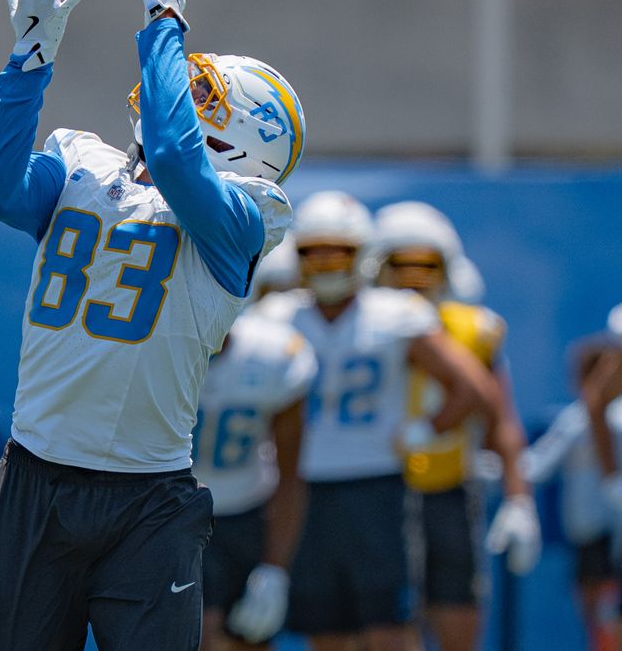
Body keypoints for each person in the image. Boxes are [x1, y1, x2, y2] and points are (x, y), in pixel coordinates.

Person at [0, 0, 304, 651]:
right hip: (33, 473)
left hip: (147, 497)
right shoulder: (85, 162)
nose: (178, 95)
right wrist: (26, 64)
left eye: (206, 97)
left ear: (248, 141)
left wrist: (164, 21)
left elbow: (180, 161)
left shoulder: (249, 214)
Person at [254, 191, 498, 651]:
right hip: (300, 487)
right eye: (315, 253)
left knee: (389, 627)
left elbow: (473, 388)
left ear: (362, 254)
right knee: (326, 630)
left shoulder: (396, 314)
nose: (326, 264)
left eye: (338, 252)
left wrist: (425, 430)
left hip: (378, 486)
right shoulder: (277, 317)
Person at [370, 200, 540, 651]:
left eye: (425, 265)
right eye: (401, 264)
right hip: (379, 492)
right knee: (387, 628)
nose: (413, 277)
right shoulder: (362, 327)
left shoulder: (472, 329)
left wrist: (520, 500)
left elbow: (500, 419)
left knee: (458, 614)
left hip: (449, 488)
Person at [193, 310, 316, 650]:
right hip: (171, 515)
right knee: (194, 634)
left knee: (250, 635)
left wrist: (275, 570)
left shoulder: (274, 353)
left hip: (246, 515)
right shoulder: (154, 353)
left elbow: (290, 475)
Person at [526, 325, 622, 651]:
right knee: (600, 618)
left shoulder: (584, 419)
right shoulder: (578, 418)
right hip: (589, 531)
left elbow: (537, 466)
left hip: (604, 532)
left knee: (605, 615)